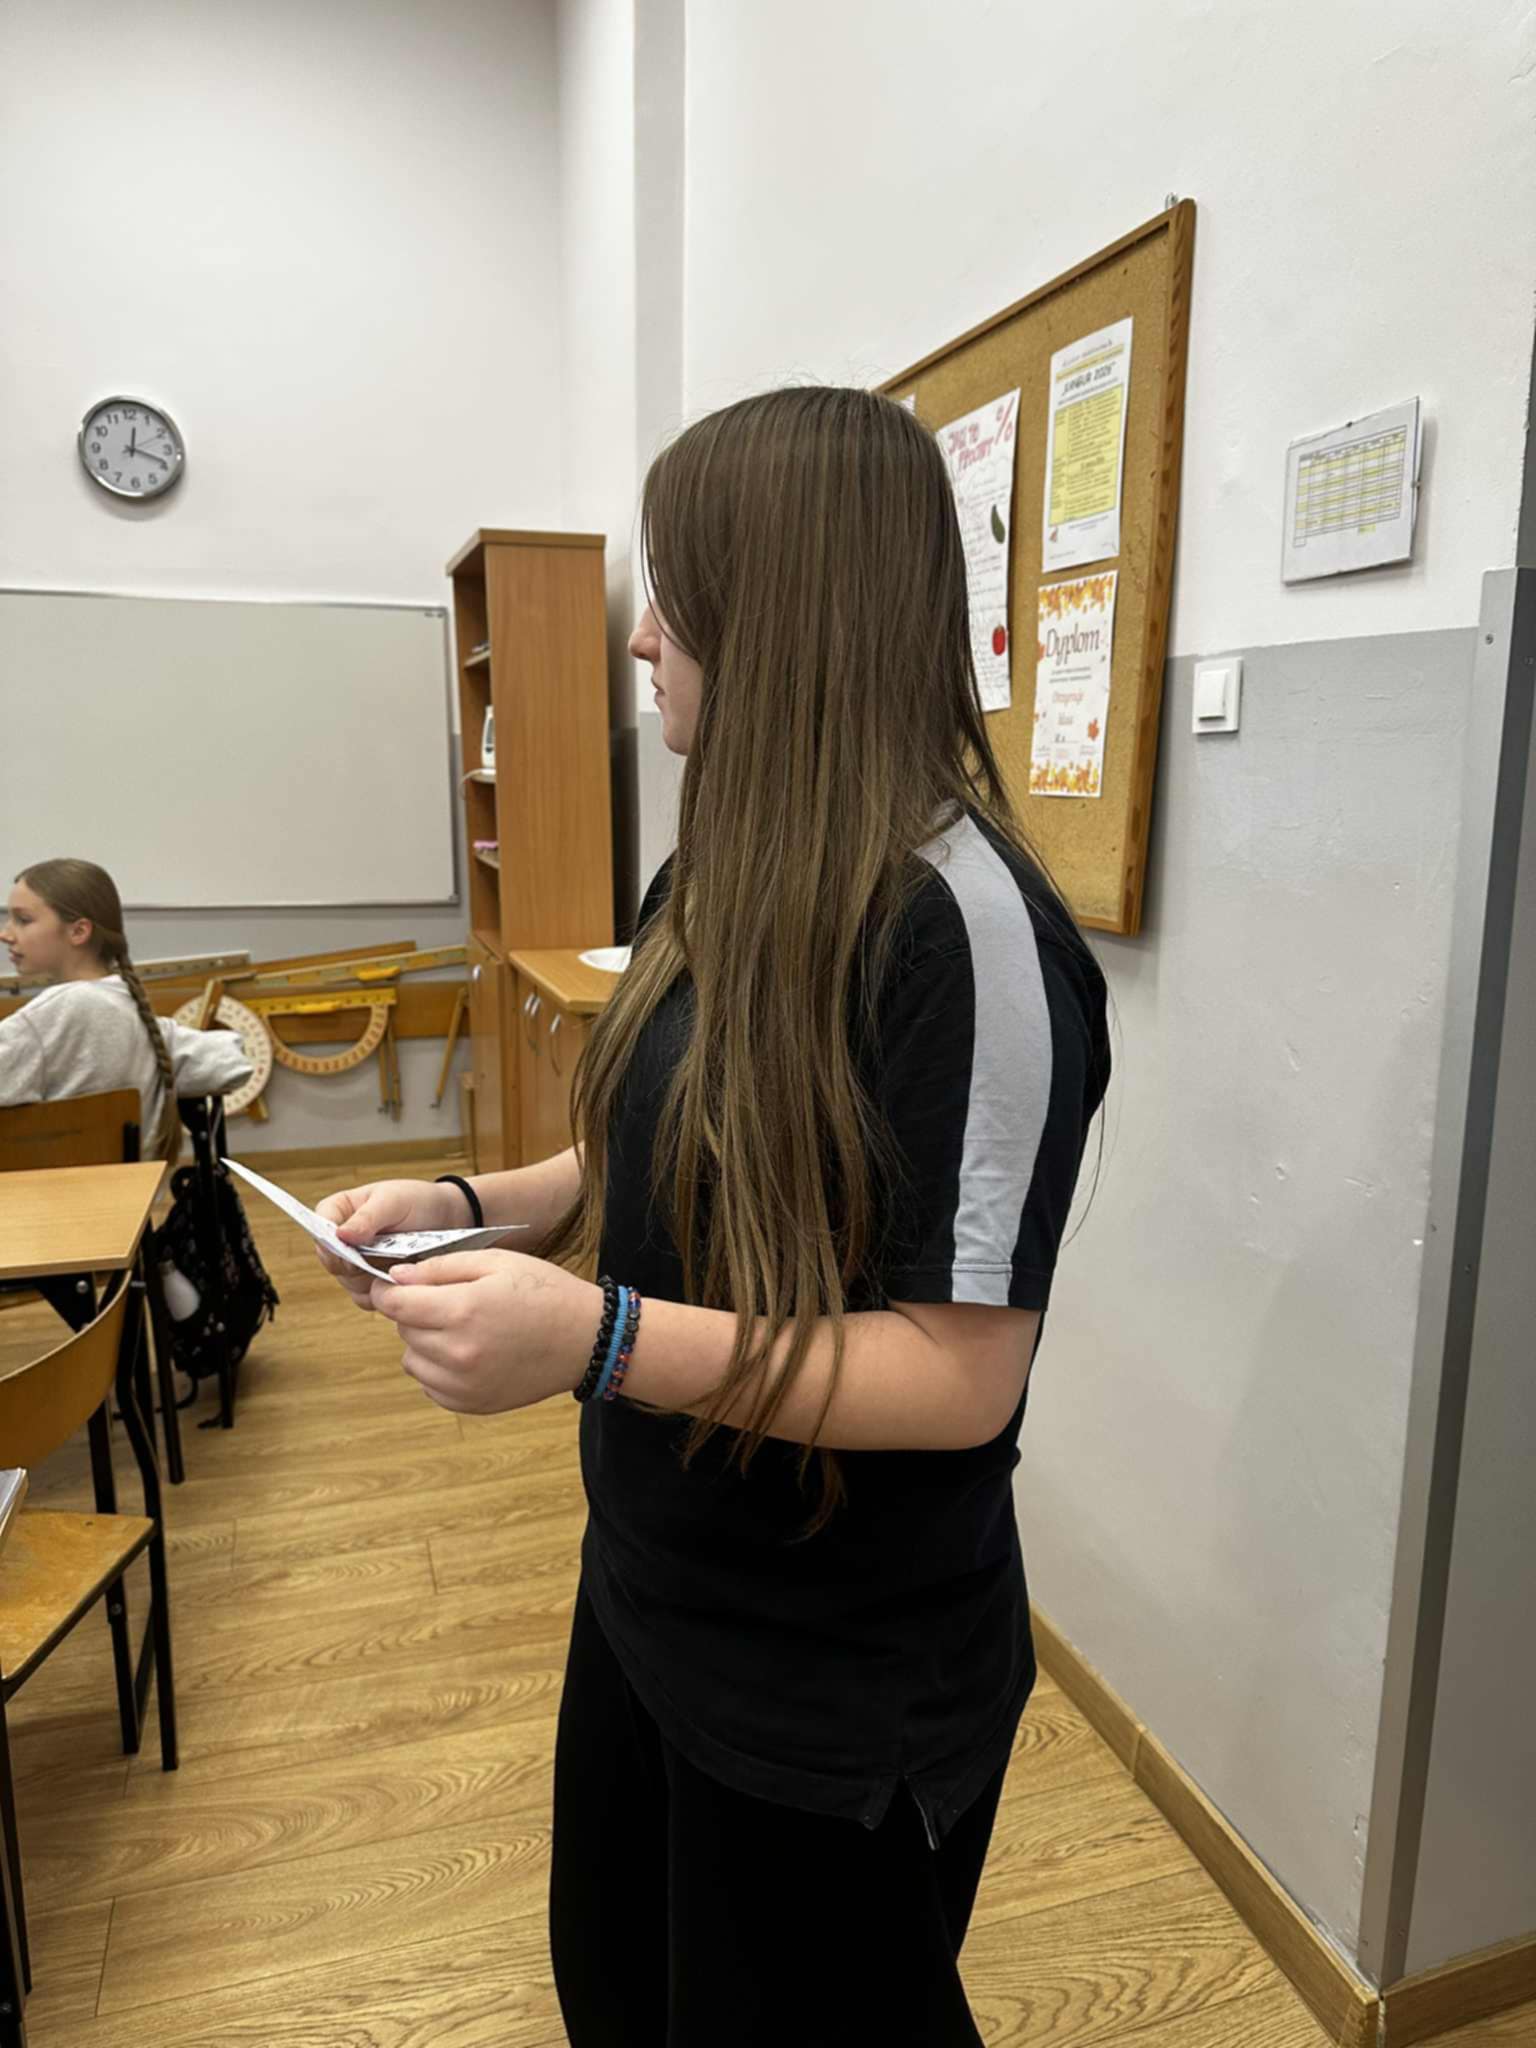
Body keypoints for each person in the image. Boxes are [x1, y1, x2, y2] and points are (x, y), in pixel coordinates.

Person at [316, 386, 1112, 2047]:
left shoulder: (970, 941)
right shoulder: (715, 874)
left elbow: (956, 1373)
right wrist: (469, 1208)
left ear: (787, 610)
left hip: (834, 1682)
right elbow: (647, 1155)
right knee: (617, 1993)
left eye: (672, 593)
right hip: (651, 1590)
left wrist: (592, 1337)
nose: (640, 637)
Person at [1, 858, 253, 1160]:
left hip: (51, 1189)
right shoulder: (136, 1014)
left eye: (23, 920)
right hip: (137, 1188)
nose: (6, 934)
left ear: (79, 931)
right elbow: (233, 1066)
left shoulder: (51, 1015)